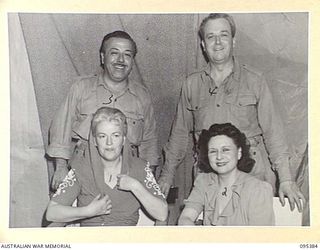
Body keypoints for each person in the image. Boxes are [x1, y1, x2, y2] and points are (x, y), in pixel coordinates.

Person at [158, 13, 305, 212]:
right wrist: (166, 177)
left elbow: (273, 133)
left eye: (223, 35)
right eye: (211, 37)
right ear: (203, 44)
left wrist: (286, 179)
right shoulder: (191, 85)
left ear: (233, 41)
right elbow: (179, 134)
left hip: (252, 172)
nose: (217, 42)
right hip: (207, 175)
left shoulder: (255, 80)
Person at [47, 31, 159, 191]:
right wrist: (60, 167)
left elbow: (149, 140)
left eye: (127, 55)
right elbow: (61, 127)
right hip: (84, 172)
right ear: (102, 57)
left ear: (132, 61)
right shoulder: (81, 88)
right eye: (114, 53)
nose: (121, 60)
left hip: (126, 176)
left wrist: (149, 179)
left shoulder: (142, 96)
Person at [46, 107, 167, 226]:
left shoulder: (139, 168)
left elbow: (162, 214)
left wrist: (135, 186)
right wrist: (88, 211)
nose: (109, 143)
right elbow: (51, 212)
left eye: (115, 135)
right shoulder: (81, 168)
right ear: (94, 141)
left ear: (124, 139)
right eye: (102, 136)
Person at [178, 123, 274, 226]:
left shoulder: (258, 189)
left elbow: (260, 238)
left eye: (226, 150)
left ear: (239, 153)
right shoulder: (204, 182)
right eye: (213, 151)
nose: (219, 157)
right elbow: (185, 218)